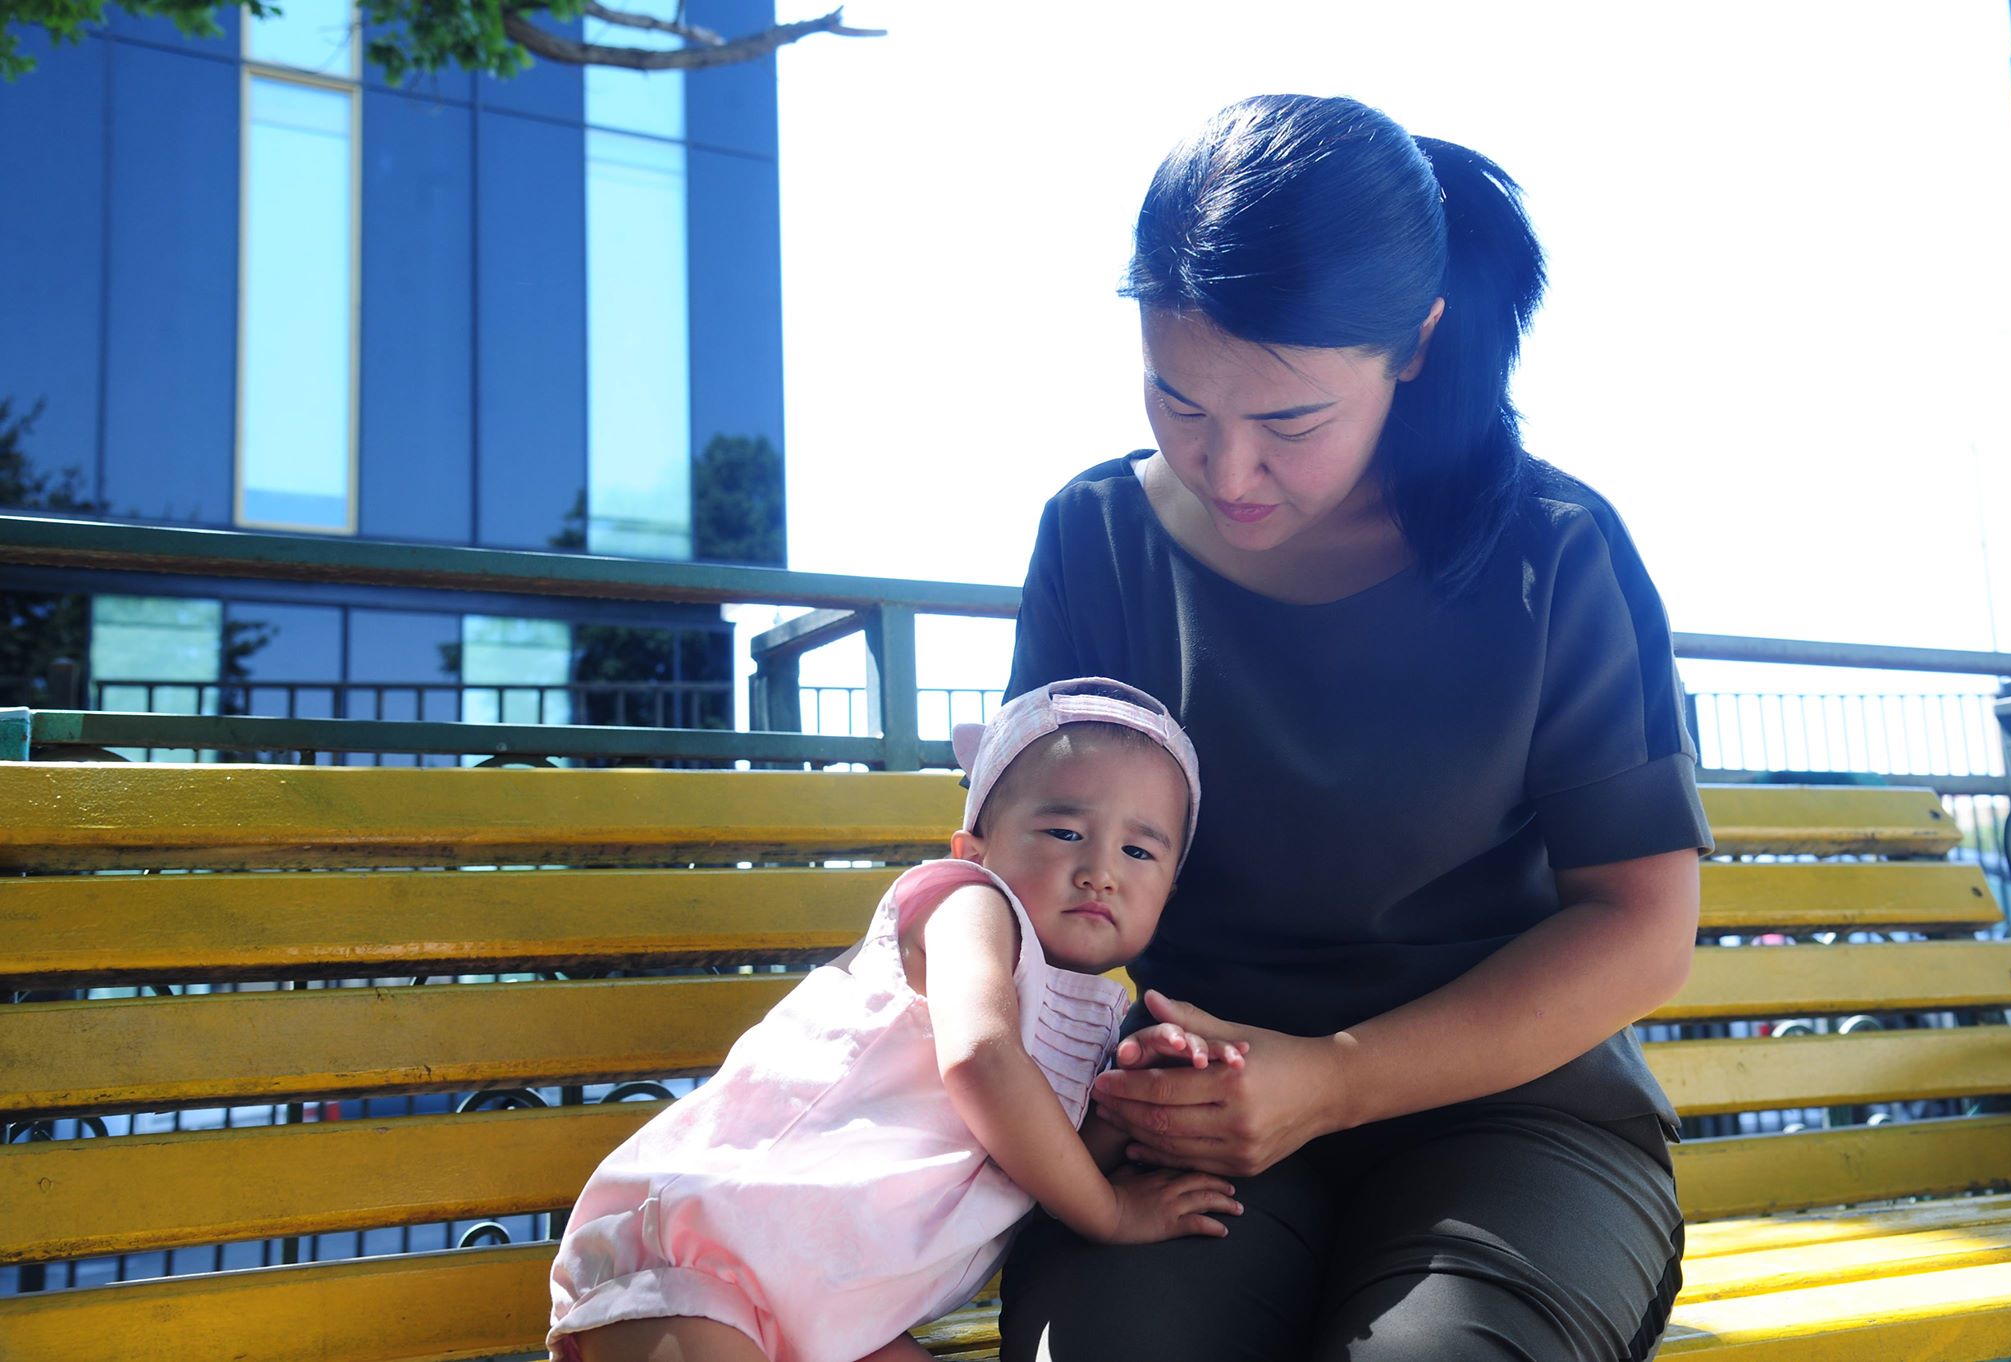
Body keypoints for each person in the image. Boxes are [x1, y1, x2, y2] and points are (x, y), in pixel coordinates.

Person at [995, 94, 1714, 1362]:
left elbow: (1641, 928)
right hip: (1186, 1122)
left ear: (1414, 345)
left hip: (1517, 1118)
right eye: (1176, 401)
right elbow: (1014, 881)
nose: (1226, 472)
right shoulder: (1094, 541)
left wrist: (1332, 1078)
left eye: (1289, 423)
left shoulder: (1552, 552)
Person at [548, 678, 1243, 1362]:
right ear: (975, 852)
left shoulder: (1089, 1021)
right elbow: (981, 1060)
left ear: (1170, 893)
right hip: (712, 1256)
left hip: (834, 1316)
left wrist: (1127, 1099)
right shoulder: (972, 906)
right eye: (1065, 832)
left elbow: (1043, 1167)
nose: (1099, 871)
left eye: (1138, 851)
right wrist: (1112, 1212)